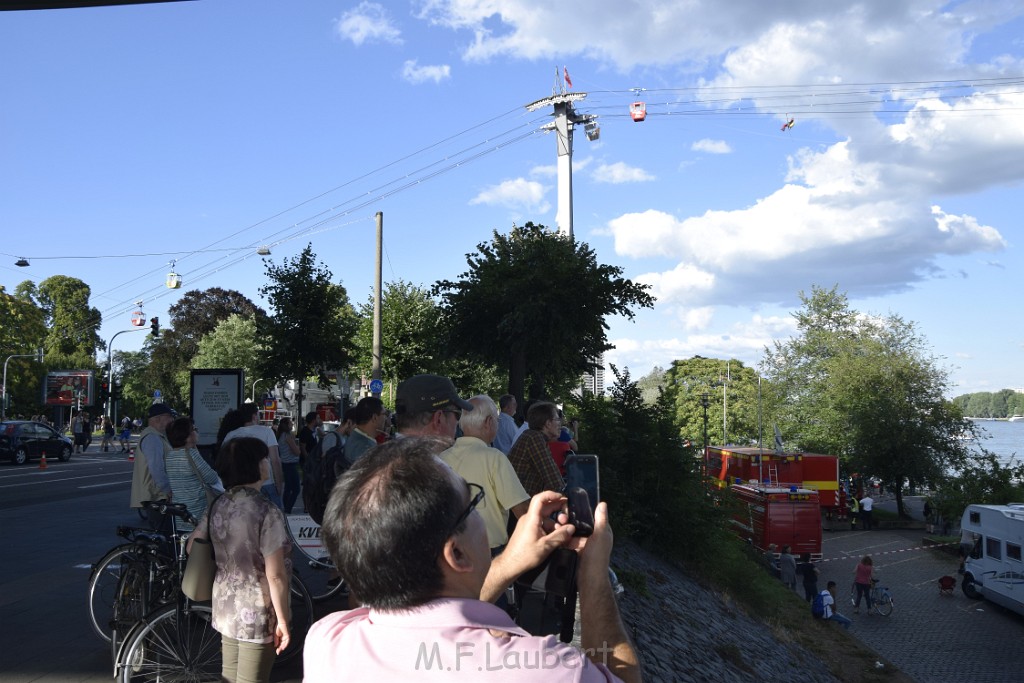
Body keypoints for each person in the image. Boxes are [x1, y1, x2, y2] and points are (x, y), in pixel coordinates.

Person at [304, 437, 640, 683]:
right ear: (456, 553)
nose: (481, 512)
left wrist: (509, 562)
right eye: (473, 502)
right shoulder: (546, 668)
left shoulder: (329, 640)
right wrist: (593, 572)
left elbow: (432, 614)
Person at [189, 437, 292, 683]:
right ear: (254, 466)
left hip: (224, 606)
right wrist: (284, 620)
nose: (267, 462)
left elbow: (193, 545)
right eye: (264, 458)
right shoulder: (267, 511)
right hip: (256, 612)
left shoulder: (218, 503)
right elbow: (275, 575)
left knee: (229, 676)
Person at [440, 395, 530, 553]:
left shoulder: (442, 458)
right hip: (487, 550)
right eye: (497, 420)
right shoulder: (494, 458)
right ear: (489, 422)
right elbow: (522, 510)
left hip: (450, 549)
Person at [165, 416, 224, 531]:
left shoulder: (170, 455)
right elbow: (211, 478)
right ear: (187, 436)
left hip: (180, 512)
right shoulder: (191, 454)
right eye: (194, 429)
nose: (197, 432)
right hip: (197, 513)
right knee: (199, 546)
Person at [221, 403, 284, 510]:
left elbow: (225, 463)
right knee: (276, 518)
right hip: (266, 484)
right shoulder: (267, 432)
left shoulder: (231, 435)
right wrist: (279, 484)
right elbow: (275, 460)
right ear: (254, 416)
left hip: (240, 485)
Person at [129, 403, 176, 530]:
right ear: (157, 419)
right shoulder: (152, 438)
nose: (172, 420)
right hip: (156, 496)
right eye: (169, 417)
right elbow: (156, 468)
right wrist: (169, 490)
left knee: (163, 534)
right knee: (164, 535)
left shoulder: (157, 436)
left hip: (157, 495)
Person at [393, 373, 474, 441]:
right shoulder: (429, 459)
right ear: (438, 419)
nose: (457, 423)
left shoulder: (383, 455)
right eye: (458, 414)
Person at [508, 401, 564, 496]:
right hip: (519, 505)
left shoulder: (532, 436)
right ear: (548, 423)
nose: (561, 424)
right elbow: (553, 479)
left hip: (518, 501)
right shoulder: (534, 438)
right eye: (558, 419)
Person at [343, 397, 385, 468]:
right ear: (374, 417)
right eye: (384, 414)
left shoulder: (353, 438)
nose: (386, 418)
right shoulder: (366, 449)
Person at [275, 416, 302, 514]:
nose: (292, 424)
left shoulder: (281, 435)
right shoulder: (287, 436)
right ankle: (288, 508)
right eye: (290, 423)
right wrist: (297, 446)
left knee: (288, 487)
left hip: (285, 464)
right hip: (290, 464)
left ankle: (286, 508)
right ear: (286, 425)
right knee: (296, 489)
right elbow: (297, 451)